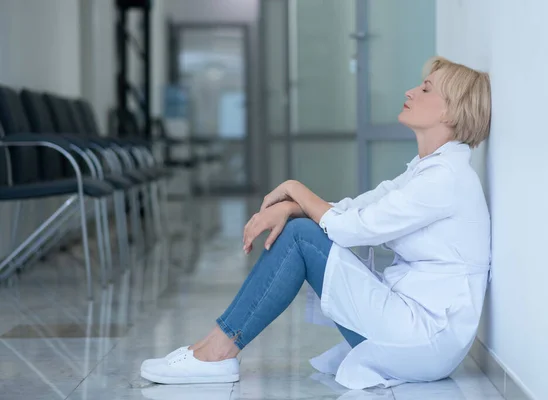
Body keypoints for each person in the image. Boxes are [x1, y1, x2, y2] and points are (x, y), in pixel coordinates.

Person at [140, 56, 492, 390]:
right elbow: (356, 209)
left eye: (426, 89)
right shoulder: (426, 170)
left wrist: (294, 190)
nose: (410, 92)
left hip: (425, 341)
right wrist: (294, 207)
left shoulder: (445, 179)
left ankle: (217, 351)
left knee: (301, 238)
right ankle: (213, 345)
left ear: (451, 110)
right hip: (414, 326)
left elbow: (354, 228)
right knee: (301, 229)